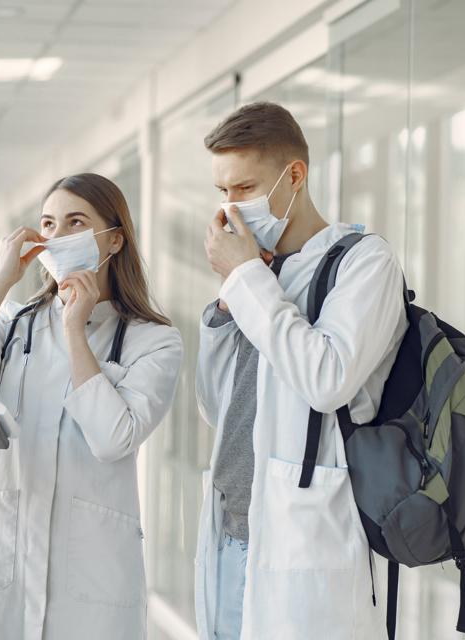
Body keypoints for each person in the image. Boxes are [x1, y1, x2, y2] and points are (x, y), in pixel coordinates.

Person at [0, 173, 183, 640]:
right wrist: (0, 283)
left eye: (75, 222)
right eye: (48, 224)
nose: (58, 236)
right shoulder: (12, 322)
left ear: (114, 240)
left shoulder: (155, 341)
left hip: (89, 581)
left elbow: (112, 439)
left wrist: (74, 330)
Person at [193, 102, 408, 639]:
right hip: (230, 535)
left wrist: (246, 277)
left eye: (244, 188)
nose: (230, 208)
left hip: (301, 546)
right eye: (222, 191)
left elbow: (327, 379)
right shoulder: (256, 273)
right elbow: (216, 408)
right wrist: (228, 304)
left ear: (294, 176)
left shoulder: (363, 262)